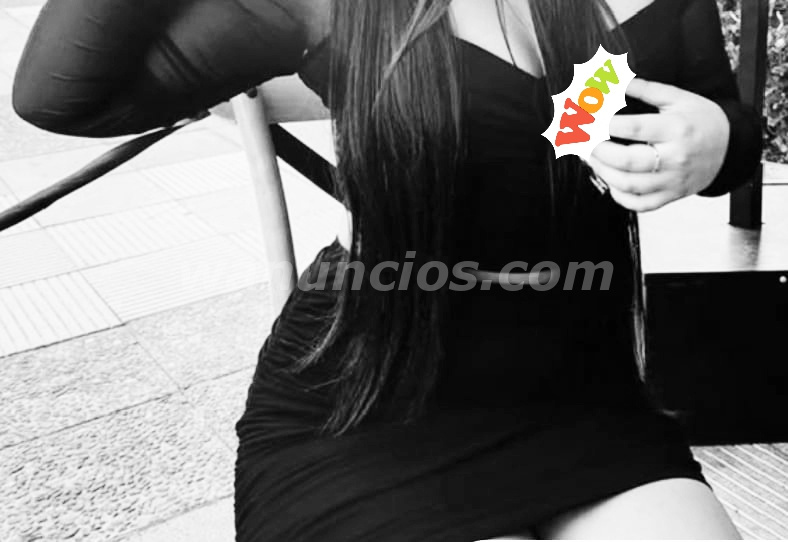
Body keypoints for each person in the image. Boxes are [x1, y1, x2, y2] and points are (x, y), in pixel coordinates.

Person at [14, 0, 762, 539]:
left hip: (584, 405)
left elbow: (730, 132)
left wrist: (717, 138)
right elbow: (63, 96)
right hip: (368, 403)